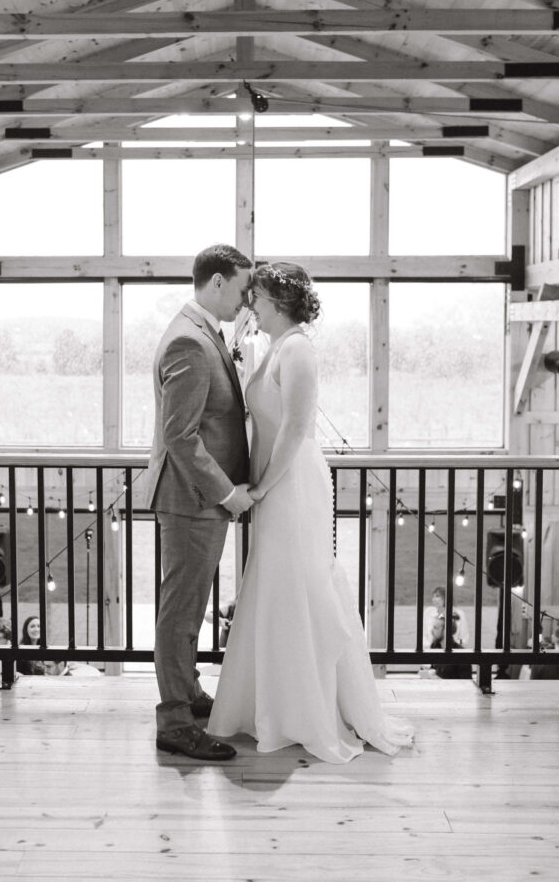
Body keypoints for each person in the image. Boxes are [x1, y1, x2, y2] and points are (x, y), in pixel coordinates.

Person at [208, 262, 413, 763]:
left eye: (255, 298)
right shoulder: (275, 345)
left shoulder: (298, 348)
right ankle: (272, 703)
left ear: (277, 302)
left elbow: (296, 430)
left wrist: (261, 489)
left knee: (297, 586)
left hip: (292, 484)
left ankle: (306, 709)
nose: (249, 305)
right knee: (276, 586)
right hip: (276, 483)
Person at [145, 243, 254, 761]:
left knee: (189, 606)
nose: (244, 298)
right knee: (180, 610)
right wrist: (228, 493)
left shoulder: (206, 330)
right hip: (192, 498)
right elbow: (180, 435)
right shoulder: (188, 342)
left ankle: (187, 693)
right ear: (216, 283)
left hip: (198, 498)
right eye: (240, 288)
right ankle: (174, 721)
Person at [429, 613, 472, 680]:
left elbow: (467, 683)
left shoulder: (462, 655)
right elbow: (433, 669)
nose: (431, 631)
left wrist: (439, 680)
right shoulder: (434, 646)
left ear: (446, 631)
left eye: (435, 628)